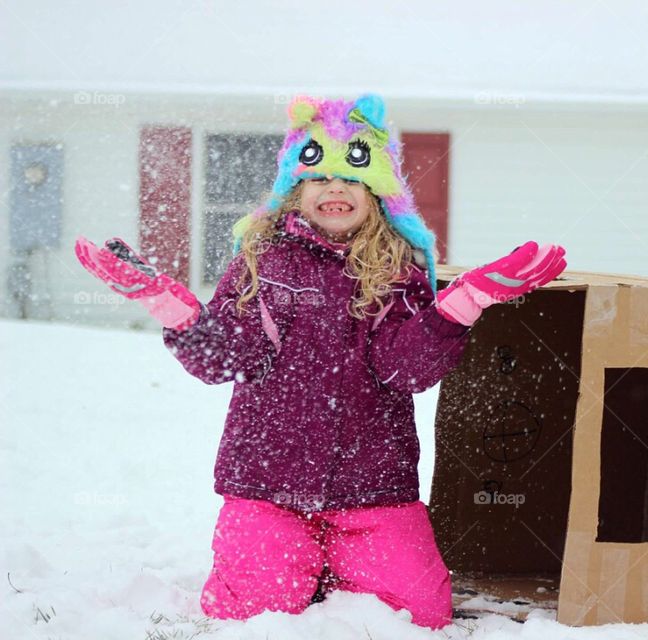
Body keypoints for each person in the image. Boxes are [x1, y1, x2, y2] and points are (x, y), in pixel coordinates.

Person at [74, 93, 566, 629]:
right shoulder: (261, 264)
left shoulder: (398, 271)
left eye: (353, 177)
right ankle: (300, 557)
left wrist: (463, 302)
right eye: (318, 177)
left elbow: (407, 371)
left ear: (377, 194)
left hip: (372, 485)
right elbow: (224, 359)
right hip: (268, 483)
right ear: (294, 192)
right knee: (256, 608)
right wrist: (171, 307)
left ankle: (334, 560)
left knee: (418, 613)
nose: (335, 187)